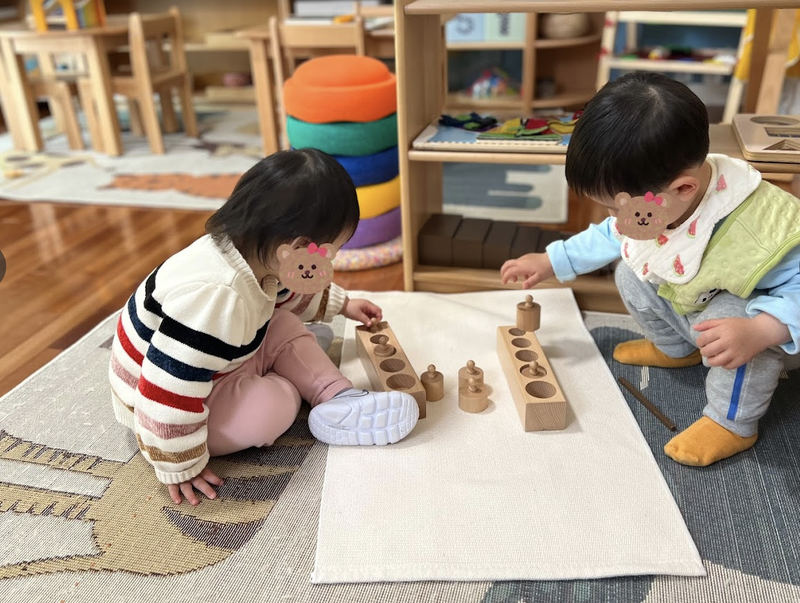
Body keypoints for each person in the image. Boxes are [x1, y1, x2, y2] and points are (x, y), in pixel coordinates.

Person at [501, 72, 800, 467]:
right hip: (695, 311)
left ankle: (733, 423)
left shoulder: (762, 225)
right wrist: (551, 260)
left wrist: (761, 331)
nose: (614, 218)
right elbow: (613, 234)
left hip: (754, 336)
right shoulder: (659, 201)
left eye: (617, 208)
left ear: (683, 189)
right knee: (630, 271)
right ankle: (676, 350)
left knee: (732, 317)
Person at [108, 148, 418, 505]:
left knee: (282, 321)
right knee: (274, 405)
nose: (326, 263)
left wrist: (342, 304)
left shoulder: (256, 253)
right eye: (328, 254)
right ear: (297, 247)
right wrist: (181, 464)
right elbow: (166, 391)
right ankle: (292, 378)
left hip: (219, 365)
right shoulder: (214, 298)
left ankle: (339, 397)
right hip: (163, 407)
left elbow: (284, 292)